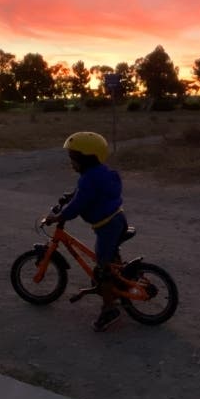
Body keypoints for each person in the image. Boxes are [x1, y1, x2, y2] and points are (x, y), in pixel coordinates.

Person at [43, 131, 126, 332]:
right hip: (117, 219)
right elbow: (88, 192)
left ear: (85, 159)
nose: (71, 163)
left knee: (102, 267)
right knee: (111, 257)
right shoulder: (102, 172)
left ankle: (109, 308)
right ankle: (120, 285)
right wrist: (72, 194)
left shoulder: (88, 179)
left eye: (73, 158)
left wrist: (59, 216)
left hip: (107, 226)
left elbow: (78, 205)